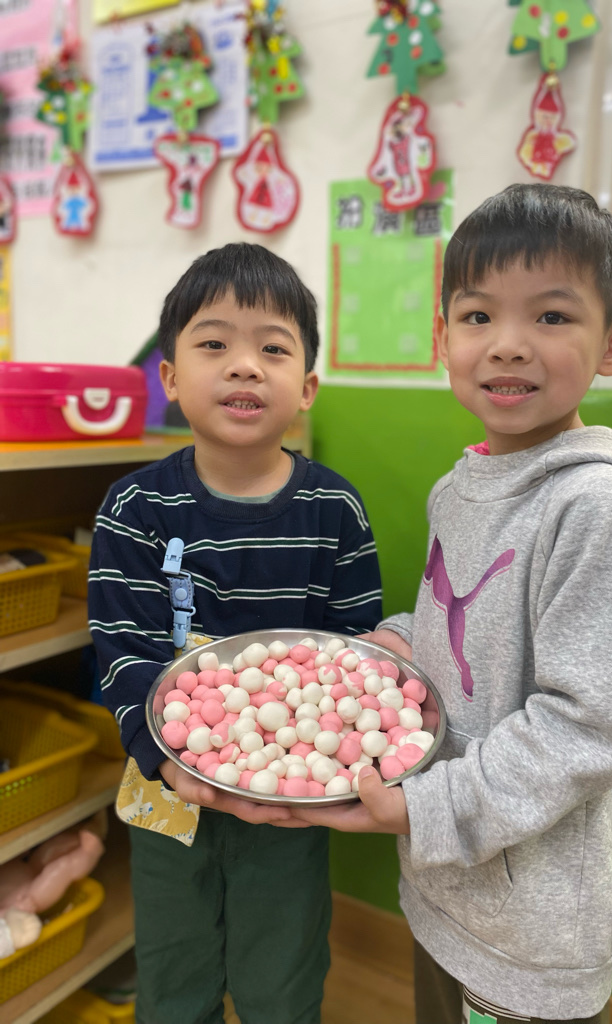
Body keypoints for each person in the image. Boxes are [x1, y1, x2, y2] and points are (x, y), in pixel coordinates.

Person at [290, 184, 612, 1024]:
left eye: (551, 316)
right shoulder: (460, 487)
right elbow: (466, 629)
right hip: (451, 886)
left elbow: (585, 729)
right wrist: (397, 641)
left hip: (532, 926)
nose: (508, 344)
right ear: (444, 339)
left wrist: (428, 807)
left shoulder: (596, 508)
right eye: (477, 316)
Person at [88, 242, 382, 1024]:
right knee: (174, 977)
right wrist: (163, 757)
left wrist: (325, 762)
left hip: (292, 797)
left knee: (281, 981)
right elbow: (120, 648)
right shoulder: (135, 509)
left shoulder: (333, 510)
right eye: (214, 343)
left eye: (273, 349)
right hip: (167, 790)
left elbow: (355, 649)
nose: (245, 366)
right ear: (170, 377)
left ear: (307, 386)